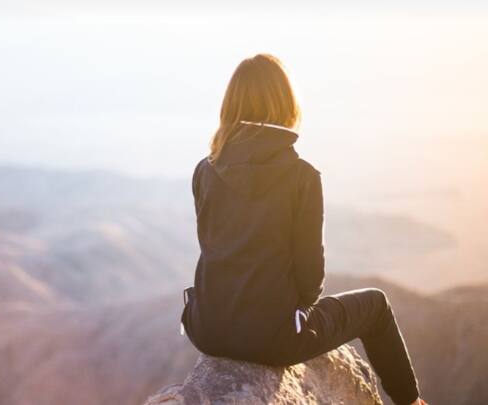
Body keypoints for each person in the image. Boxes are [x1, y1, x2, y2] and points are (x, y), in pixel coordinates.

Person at [180, 53, 428, 405]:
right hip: (275, 340)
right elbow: (311, 278)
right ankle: (411, 401)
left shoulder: (204, 170)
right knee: (376, 305)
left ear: (230, 105)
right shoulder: (302, 177)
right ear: (285, 103)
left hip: (205, 329)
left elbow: (216, 247)